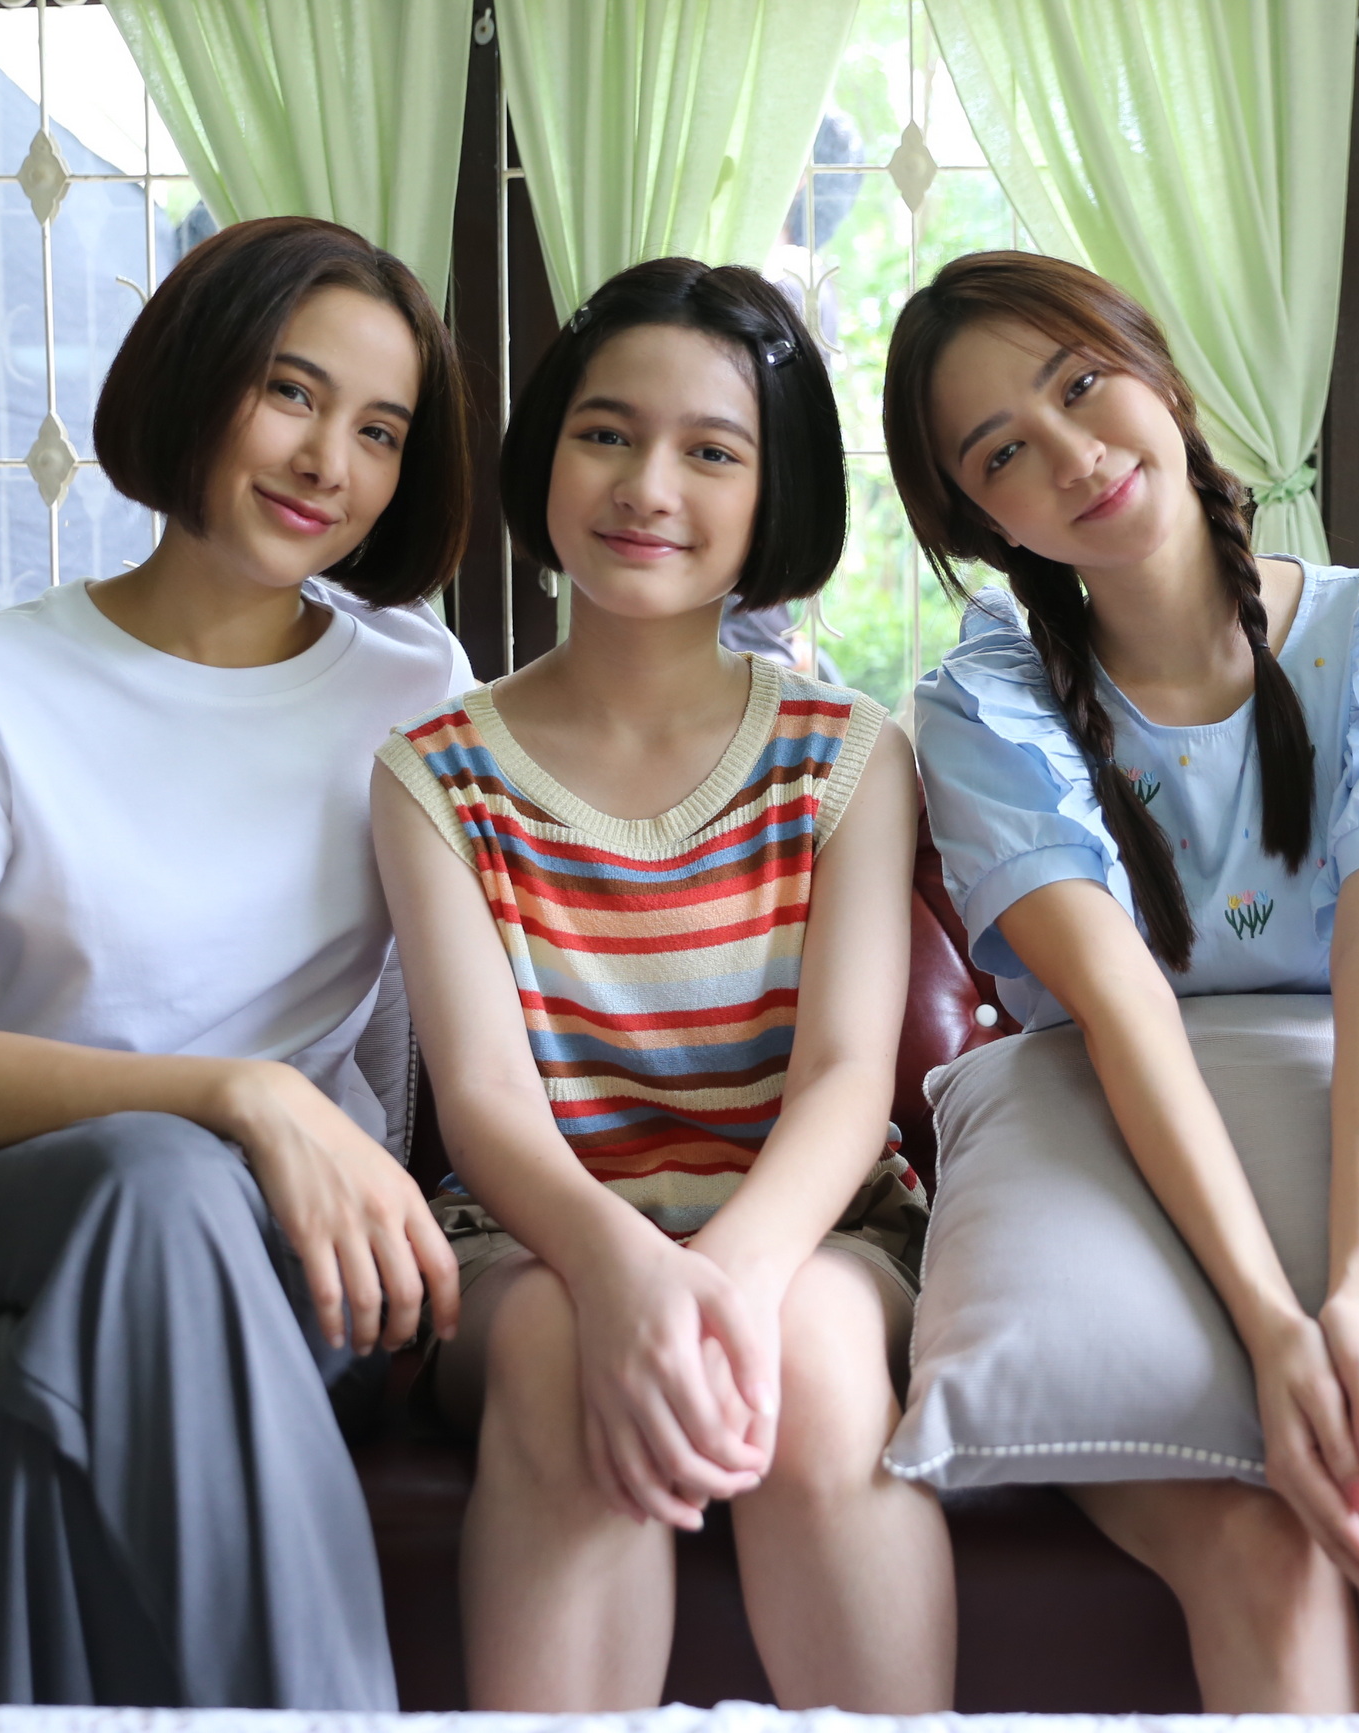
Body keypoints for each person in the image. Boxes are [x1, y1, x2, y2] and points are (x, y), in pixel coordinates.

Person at [0, 216, 473, 1709]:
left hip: (281, 1274)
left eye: (379, 430)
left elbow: (518, 987)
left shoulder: (415, 689)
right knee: (157, 1177)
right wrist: (240, 1095)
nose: (327, 461)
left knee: (63, 1376)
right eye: (291, 392)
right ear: (198, 376)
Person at [883, 251, 1359, 1713]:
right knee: (1269, 1552)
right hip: (1122, 1174)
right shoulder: (988, 705)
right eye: (1002, 451)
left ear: (1160, 371)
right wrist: (1274, 1326)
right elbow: (1123, 1012)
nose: (1071, 454)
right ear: (978, 518)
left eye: (1082, 385)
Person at [371, 259, 954, 1712]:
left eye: (713, 452)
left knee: (814, 1362)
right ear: (547, 454)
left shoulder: (846, 753)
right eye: (607, 433)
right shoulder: (434, 772)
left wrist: (732, 1277)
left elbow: (845, 1081)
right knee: (564, 1354)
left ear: (774, 494)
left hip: (816, 1231)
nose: (647, 487)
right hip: (532, 1242)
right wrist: (625, 1271)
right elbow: (487, 1101)